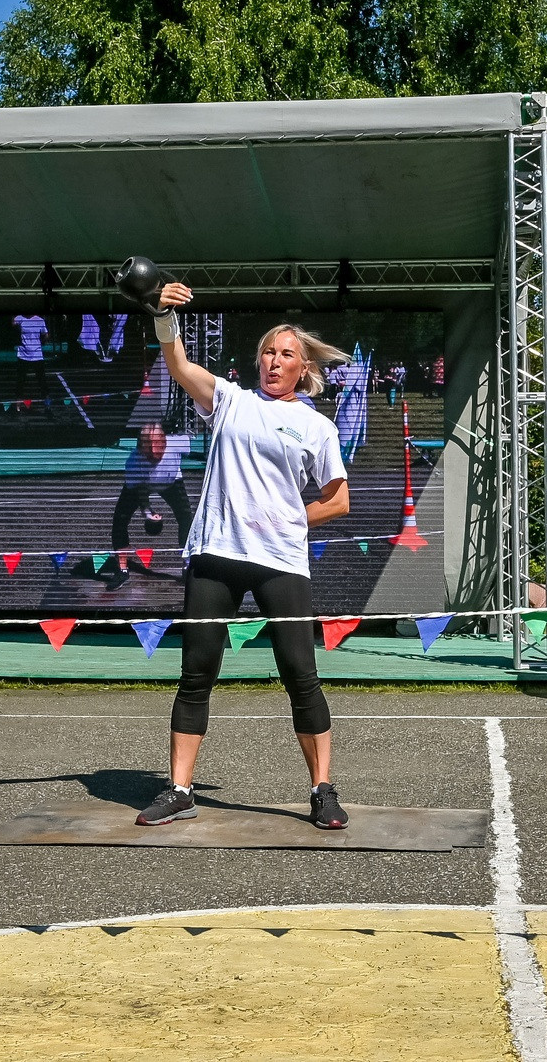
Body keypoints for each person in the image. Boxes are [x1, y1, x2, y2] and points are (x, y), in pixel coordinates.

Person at [132, 279, 354, 831]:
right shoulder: (230, 400)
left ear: (303, 369)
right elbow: (180, 364)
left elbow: (339, 500)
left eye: (285, 355)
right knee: (196, 674)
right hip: (216, 551)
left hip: (280, 559)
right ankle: (180, 789)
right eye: (267, 353)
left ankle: (322, 790)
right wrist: (163, 315)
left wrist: (292, 518)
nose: (273, 362)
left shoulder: (316, 426)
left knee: (301, 674)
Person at [107, 422, 191, 590]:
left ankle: (188, 565)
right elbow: (140, 493)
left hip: (171, 481)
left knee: (186, 517)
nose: (153, 453)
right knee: (119, 520)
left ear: (166, 442)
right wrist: (147, 511)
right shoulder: (133, 463)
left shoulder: (180, 444)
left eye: (158, 447)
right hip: (143, 483)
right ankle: (122, 569)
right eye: (148, 450)